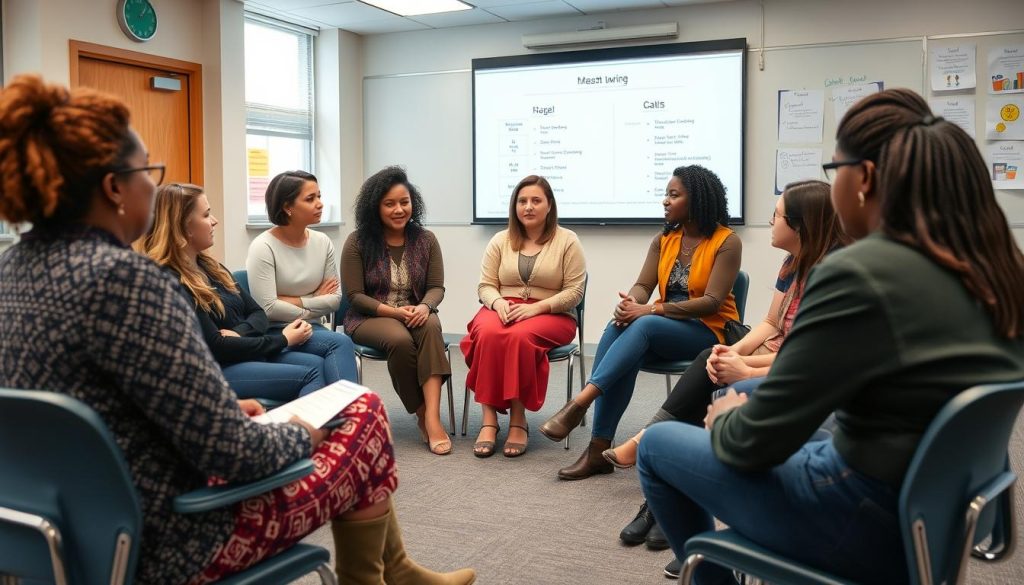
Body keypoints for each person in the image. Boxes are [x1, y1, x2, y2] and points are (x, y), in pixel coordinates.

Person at [0, 75, 475, 585]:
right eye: (147, 173)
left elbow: (99, 404)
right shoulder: (128, 281)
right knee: (359, 411)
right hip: (175, 539)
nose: (151, 187)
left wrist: (222, 411)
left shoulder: (11, 271)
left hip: (56, 533)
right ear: (114, 188)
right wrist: (298, 433)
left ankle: (394, 570)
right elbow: (232, 455)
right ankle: (380, 576)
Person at [638, 88, 1024, 585]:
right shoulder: (1000, 270)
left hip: (862, 518)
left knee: (659, 444)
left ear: (862, 179)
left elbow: (753, 445)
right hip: (939, 510)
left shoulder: (860, 272)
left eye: (833, 167)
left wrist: (729, 419)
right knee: (757, 403)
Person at [608, 180, 848, 560]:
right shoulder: (792, 262)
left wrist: (744, 367)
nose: (770, 222)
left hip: (797, 367)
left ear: (800, 226)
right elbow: (770, 325)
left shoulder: (835, 275)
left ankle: (651, 469)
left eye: (777, 215)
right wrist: (730, 353)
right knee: (710, 361)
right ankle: (658, 489)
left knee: (713, 381)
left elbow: (811, 354)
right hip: (779, 353)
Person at [539, 165, 741, 481]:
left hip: (707, 330)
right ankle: (598, 449)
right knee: (616, 327)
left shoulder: (727, 241)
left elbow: (712, 302)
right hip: (663, 327)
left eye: (674, 195)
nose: (665, 201)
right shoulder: (666, 240)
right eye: (666, 194)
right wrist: (631, 303)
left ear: (697, 200)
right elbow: (643, 285)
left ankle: (581, 401)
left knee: (643, 327)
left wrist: (648, 311)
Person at [141, 183, 326, 402]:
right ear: (184, 226)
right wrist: (283, 340)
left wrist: (239, 334)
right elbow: (217, 347)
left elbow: (257, 313)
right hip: (215, 369)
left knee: (317, 363)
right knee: (311, 374)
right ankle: (307, 435)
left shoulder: (212, 267)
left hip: (243, 353)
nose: (214, 221)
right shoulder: (171, 280)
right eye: (207, 214)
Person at [460, 175, 586, 458]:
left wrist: (536, 308)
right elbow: (485, 285)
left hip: (552, 313)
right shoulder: (500, 240)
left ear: (549, 205)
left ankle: (518, 418)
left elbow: (574, 292)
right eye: (522, 201)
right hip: (503, 307)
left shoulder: (568, 241)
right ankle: (489, 420)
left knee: (518, 336)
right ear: (514, 206)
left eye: (536, 200)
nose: (528, 206)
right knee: (488, 333)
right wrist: (497, 302)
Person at [341, 166, 452, 455]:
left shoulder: (426, 240)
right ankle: (421, 412)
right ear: (375, 206)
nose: (399, 209)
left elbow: (436, 287)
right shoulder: (357, 241)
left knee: (431, 327)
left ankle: (433, 417)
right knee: (400, 339)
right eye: (389, 203)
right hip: (370, 317)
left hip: (416, 312)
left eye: (404, 202)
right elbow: (353, 296)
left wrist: (426, 307)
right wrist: (393, 313)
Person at [245, 170, 359, 386]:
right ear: (288, 208)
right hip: (277, 331)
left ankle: (338, 418)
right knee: (340, 344)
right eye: (310, 199)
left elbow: (335, 300)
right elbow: (268, 309)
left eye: (319, 196)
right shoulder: (263, 247)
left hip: (312, 329)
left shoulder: (322, 242)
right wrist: (314, 298)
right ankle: (352, 416)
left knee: (319, 361)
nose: (320, 204)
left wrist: (291, 300)